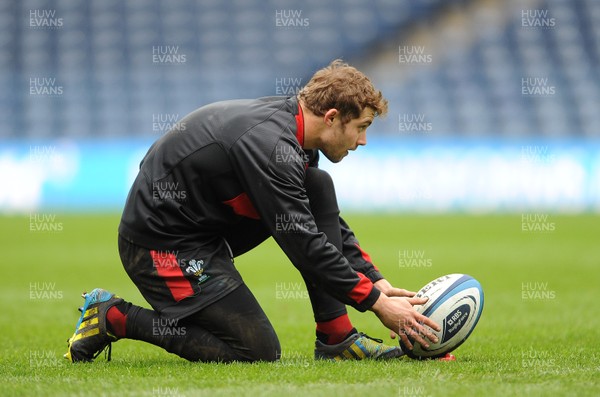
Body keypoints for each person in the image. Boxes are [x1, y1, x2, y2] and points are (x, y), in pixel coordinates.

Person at [64, 59, 440, 363]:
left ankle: (337, 338)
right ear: (331, 117)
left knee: (316, 187)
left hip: (205, 231)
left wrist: (375, 280)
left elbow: (318, 222)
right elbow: (304, 241)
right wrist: (375, 304)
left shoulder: (296, 138)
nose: (363, 140)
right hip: (161, 244)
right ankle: (112, 315)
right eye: (361, 127)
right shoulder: (269, 146)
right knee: (258, 352)